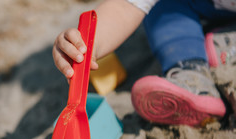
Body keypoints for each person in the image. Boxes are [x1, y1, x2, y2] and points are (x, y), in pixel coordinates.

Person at [53, 0, 236, 127]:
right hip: (206, 6)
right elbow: (123, 7)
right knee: (161, 8)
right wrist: (85, 43)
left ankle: (225, 44)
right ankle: (191, 73)